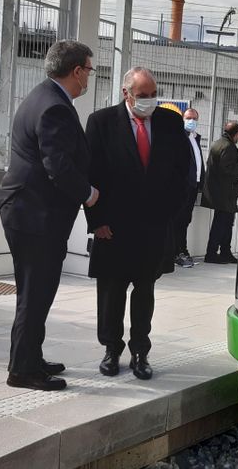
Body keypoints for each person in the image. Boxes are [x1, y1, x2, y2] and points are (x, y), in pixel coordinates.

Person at [0, 40, 98, 391]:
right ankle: (22, 371)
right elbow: (58, 166)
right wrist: (89, 194)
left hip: (27, 212)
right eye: (90, 70)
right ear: (76, 71)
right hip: (34, 216)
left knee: (35, 292)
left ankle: (30, 356)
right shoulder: (54, 107)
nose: (90, 77)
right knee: (35, 293)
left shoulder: (42, 96)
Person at [84, 67, 190, 380]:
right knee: (111, 293)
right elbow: (90, 175)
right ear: (126, 93)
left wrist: (170, 214)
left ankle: (140, 352)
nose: (149, 101)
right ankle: (111, 349)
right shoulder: (101, 123)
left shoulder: (169, 122)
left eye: (153, 95)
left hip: (153, 228)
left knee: (145, 293)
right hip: (113, 229)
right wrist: (97, 221)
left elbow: (183, 173)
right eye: (143, 96)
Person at [202, 121, 238, 263]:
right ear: (236, 133)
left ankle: (224, 251)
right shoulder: (229, 147)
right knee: (222, 224)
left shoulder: (217, 143)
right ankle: (212, 253)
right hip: (226, 193)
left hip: (219, 192)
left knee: (224, 223)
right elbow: (227, 169)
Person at [174, 108, 205, 268]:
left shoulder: (195, 138)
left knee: (185, 219)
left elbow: (198, 162)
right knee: (179, 220)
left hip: (193, 186)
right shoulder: (180, 137)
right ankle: (178, 252)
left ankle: (182, 251)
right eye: (188, 118)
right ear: (183, 119)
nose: (191, 121)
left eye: (194, 118)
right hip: (182, 186)